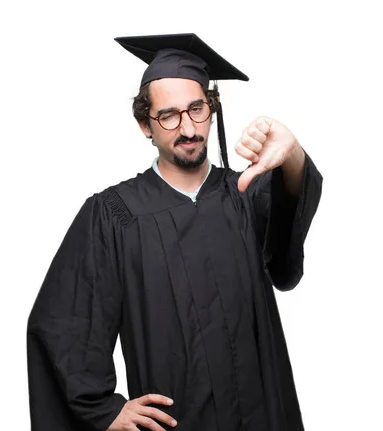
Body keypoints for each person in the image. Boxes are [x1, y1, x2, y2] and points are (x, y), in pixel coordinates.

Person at [27, 33, 323, 431]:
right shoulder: (115, 215)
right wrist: (103, 409)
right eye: (168, 115)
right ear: (144, 125)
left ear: (211, 109)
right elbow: (63, 321)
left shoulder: (244, 198)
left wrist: (294, 155)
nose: (187, 128)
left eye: (196, 109)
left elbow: (286, 248)